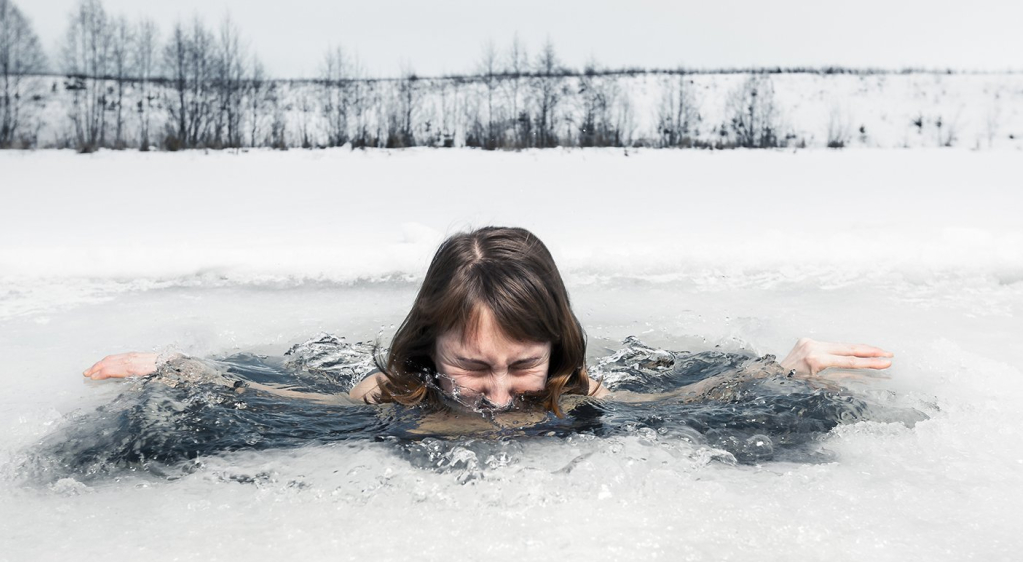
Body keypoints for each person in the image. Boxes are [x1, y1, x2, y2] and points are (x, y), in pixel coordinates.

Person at [83, 227, 893, 419]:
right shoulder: (398, 387)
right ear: (430, 345)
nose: (500, 396)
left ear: (556, 349)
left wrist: (784, 369)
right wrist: (181, 372)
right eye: (472, 366)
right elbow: (299, 405)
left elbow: (669, 407)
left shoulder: (573, 388)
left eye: (520, 365)